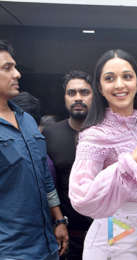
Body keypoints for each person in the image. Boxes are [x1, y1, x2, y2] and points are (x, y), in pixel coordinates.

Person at [68, 49, 137, 260]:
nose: (119, 85)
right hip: (110, 235)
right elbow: (80, 197)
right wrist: (128, 163)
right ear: (99, 87)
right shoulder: (94, 135)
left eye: (127, 76)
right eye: (110, 78)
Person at [0, 40, 68, 260]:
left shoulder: (27, 120)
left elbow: (45, 177)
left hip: (47, 244)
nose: (17, 74)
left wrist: (58, 220)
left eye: (15, 66)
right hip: (11, 251)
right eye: (7, 68)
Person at [42, 70, 94, 260]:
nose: (78, 98)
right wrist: (58, 221)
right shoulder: (50, 134)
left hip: (106, 231)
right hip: (67, 233)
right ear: (64, 97)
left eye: (84, 92)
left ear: (94, 96)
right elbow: (47, 183)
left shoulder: (107, 132)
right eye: (71, 93)